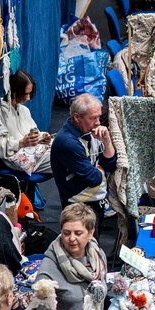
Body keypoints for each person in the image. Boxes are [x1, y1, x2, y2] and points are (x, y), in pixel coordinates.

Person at [51, 93, 116, 233]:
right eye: (92, 118)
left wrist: (107, 141)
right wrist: (101, 170)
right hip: (79, 205)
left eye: (99, 116)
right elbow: (94, 178)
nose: (98, 122)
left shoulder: (91, 131)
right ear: (77, 117)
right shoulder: (68, 143)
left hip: (96, 199)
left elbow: (110, 164)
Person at [0, 70, 52, 175]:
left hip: (33, 154)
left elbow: (33, 132)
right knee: (63, 158)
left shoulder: (24, 110)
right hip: (16, 160)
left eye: (30, 93)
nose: (28, 98)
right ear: (14, 91)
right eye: (26, 93)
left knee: (65, 151)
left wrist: (42, 137)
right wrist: (20, 143)